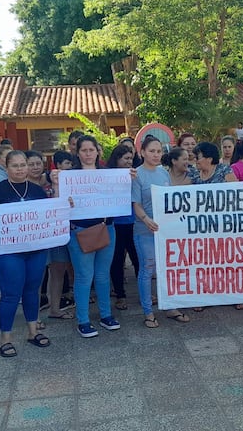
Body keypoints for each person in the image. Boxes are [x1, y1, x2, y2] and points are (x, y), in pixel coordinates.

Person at [0, 151, 51, 357]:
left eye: (23, 165)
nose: (20, 169)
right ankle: (6, 339)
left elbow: (48, 215)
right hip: (8, 251)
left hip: (35, 249)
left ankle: (32, 331)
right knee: (11, 294)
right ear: (7, 168)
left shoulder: (37, 190)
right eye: (15, 166)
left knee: (32, 290)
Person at [67, 135, 121, 338]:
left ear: (98, 151)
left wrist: (128, 178)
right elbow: (61, 202)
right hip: (80, 230)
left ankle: (106, 315)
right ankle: (83, 320)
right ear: (77, 152)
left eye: (92, 150)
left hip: (106, 228)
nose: (88, 154)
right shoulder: (69, 176)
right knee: (83, 276)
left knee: (102, 275)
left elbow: (120, 195)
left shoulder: (109, 174)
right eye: (84, 150)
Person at [133, 138, 190, 327]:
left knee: (167, 269)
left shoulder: (164, 173)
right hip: (144, 230)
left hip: (164, 231)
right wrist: (146, 219)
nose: (156, 154)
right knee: (147, 269)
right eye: (152, 151)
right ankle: (148, 311)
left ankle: (170, 305)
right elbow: (135, 204)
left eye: (159, 151)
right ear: (142, 152)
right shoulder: (137, 175)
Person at [189, 142, 237, 312]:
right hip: (202, 228)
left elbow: (237, 194)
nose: (196, 160)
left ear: (209, 158)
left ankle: (235, 296)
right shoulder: (194, 175)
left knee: (228, 262)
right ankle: (204, 297)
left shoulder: (224, 171)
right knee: (204, 263)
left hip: (225, 227)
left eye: (198, 157)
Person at [44, 151, 76, 320]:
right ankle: (54, 308)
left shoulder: (77, 182)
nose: (69, 166)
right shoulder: (47, 185)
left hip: (75, 231)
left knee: (74, 269)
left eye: (70, 163)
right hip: (56, 234)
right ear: (56, 165)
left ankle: (71, 300)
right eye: (65, 163)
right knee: (56, 271)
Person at [107, 145, 139, 311]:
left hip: (134, 223)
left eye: (131, 158)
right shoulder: (107, 176)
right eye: (125, 158)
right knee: (117, 261)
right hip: (116, 225)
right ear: (117, 159)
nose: (129, 161)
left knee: (137, 259)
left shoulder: (136, 174)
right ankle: (120, 295)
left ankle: (144, 292)